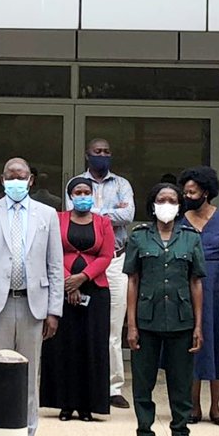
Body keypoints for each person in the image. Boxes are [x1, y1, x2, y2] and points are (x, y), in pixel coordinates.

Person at [0, 157, 64, 436]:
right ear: (2, 178)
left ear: (31, 180)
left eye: (21, 175)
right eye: (10, 175)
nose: (16, 180)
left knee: (29, 379)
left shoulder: (47, 214)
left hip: (32, 305)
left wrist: (54, 310)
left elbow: (54, 266)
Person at [123, 183, 204, 436]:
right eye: (161, 199)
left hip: (181, 323)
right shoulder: (140, 236)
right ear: (152, 204)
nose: (167, 204)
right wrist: (131, 324)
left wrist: (198, 325)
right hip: (146, 321)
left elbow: (196, 281)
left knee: (180, 390)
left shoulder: (191, 238)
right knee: (143, 387)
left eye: (172, 200)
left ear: (180, 205)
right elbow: (132, 280)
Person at [40, 175, 116, 422]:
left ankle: (88, 405)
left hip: (95, 290)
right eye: (78, 193)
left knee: (91, 347)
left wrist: (82, 278)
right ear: (70, 196)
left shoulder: (103, 223)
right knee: (63, 346)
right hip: (61, 289)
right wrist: (68, 283)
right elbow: (50, 252)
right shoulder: (57, 219)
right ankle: (64, 403)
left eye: (87, 192)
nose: (82, 196)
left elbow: (106, 256)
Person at [178, 166, 219, 426]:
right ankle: (193, 405)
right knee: (191, 343)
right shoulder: (180, 220)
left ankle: (215, 407)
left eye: (192, 191)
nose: (188, 195)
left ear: (206, 192)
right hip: (187, 284)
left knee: (218, 342)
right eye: (185, 192)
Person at [80, 137, 135, 410]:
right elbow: (75, 213)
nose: (102, 155)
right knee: (84, 325)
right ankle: (85, 382)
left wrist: (96, 212)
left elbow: (129, 216)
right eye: (97, 151)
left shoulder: (122, 184)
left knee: (114, 327)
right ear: (87, 155)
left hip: (115, 261)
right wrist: (112, 212)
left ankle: (113, 387)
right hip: (84, 264)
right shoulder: (78, 185)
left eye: (106, 151)